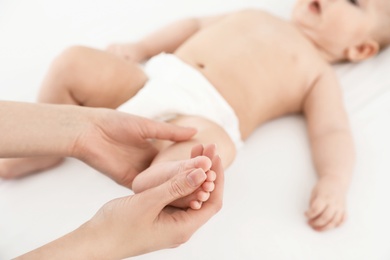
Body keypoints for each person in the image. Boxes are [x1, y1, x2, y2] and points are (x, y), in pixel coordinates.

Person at [2, 0, 389, 231]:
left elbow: (333, 130)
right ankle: (41, 150)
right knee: (73, 61)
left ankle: (157, 179)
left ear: (360, 50)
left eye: (354, 1)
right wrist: (141, 46)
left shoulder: (316, 72)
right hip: (150, 79)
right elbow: (192, 25)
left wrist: (334, 181)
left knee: (212, 148)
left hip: (204, 115)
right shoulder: (254, 13)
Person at [0, 101, 224, 258]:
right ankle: (39, 153)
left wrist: (85, 129)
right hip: (159, 80)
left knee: (202, 138)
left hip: (211, 111)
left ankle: (170, 171)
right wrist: (106, 240)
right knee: (72, 61)